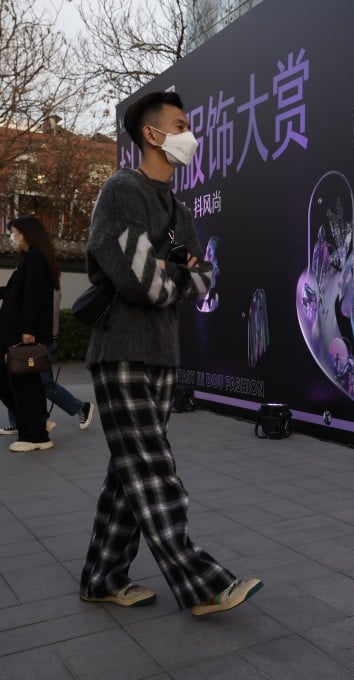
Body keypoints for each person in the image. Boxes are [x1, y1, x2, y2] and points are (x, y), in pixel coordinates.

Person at [79, 91, 262, 615]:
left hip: (162, 352)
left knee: (128, 473)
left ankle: (102, 576)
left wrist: (174, 276)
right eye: (180, 124)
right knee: (153, 468)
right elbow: (143, 281)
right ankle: (202, 583)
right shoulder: (122, 192)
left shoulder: (179, 211)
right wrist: (177, 275)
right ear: (152, 135)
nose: (190, 134)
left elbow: (204, 279)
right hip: (121, 349)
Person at [0, 216, 59, 452]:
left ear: (26, 233)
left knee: (25, 383)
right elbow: (15, 292)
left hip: (21, 334)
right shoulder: (30, 259)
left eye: (15, 232)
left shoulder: (36, 258)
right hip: (14, 332)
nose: (13, 237)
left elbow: (34, 297)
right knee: (15, 382)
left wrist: (28, 331)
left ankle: (36, 435)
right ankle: (35, 422)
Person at [1, 288, 95, 435]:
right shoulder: (34, 275)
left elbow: (42, 313)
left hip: (40, 342)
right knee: (15, 379)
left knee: (46, 385)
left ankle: (82, 408)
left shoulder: (46, 280)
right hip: (31, 340)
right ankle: (17, 422)